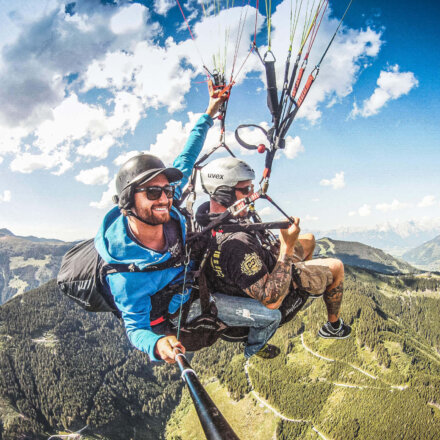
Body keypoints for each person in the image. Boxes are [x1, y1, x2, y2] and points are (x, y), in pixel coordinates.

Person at [94, 89, 225, 364]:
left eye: (166, 190)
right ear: (129, 200)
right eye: (153, 192)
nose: (165, 198)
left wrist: (209, 113)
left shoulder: (165, 203)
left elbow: (185, 160)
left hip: (189, 281)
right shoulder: (124, 273)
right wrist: (156, 344)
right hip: (177, 309)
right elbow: (135, 329)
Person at [193, 156, 351, 357]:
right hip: (268, 286)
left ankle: (306, 284)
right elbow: (270, 302)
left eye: (251, 188)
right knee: (336, 267)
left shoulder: (208, 218)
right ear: (224, 193)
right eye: (245, 190)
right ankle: (333, 326)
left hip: (256, 266)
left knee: (309, 239)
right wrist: (286, 248)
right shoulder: (236, 245)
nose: (253, 195)